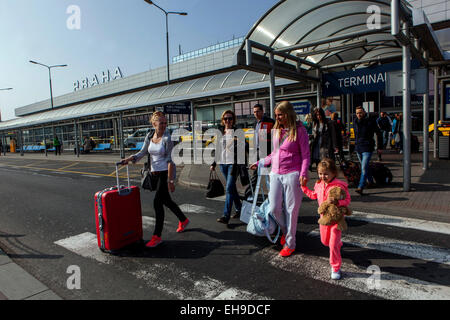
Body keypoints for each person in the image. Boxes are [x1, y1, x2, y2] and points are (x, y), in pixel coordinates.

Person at [250, 101, 310, 257]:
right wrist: (260, 162)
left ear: (288, 113)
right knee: (275, 208)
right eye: (276, 115)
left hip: (292, 173)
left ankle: (291, 243)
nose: (278, 118)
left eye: (280, 115)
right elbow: (274, 153)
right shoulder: (276, 130)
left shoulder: (299, 130)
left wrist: (303, 173)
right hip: (276, 172)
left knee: (291, 211)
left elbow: (305, 156)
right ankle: (285, 231)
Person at [122, 111, 189, 248]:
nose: (164, 125)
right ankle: (183, 219)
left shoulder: (167, 139)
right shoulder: (149, 136)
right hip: (154, 174)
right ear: (154, 123)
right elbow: (142, 152)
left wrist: (171, 181)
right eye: (161, 122)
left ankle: (157, 236)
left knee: (157, 202)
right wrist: (130, 159)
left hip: (165, 174)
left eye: (165, 122)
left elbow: (171, 161)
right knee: (166, 201)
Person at [301, 158, 351, 280]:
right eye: (320, 173)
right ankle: (337, 244)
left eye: (326, 174)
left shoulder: (339, 186)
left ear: (334, 173)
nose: (323, 176)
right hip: (323, 219)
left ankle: (335, 267)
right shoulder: (318, 184)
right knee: (325, 242)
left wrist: (338, 202)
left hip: (336, 219)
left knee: (333, 243)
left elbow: (347, 200)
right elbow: (313, 195)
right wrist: (303, 187)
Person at [210, 110, 247, 225]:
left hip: (233, 164)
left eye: (230, 118)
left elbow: (245, 145)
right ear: (223, 120)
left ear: (233, 120)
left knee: (229, 188)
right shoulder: (221, 133)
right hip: (222, 164)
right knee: (232, 189)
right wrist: (213, 163)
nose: (228, 121)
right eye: (225, 118)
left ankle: (226, 216)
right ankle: (239, 209)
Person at [246, 104, 275, 199]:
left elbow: (275, 137)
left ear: (262, 111)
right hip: (258, 151)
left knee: (271, 173)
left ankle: (274, 194)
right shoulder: (256, 123)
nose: (256, 113)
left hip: (267, 152)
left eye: (258, 111)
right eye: (254, 112)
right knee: (255, 173)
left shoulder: (270, 122)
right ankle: (250, 193)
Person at [353, 106, 383, 195]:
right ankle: (370, 182)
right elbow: (355, 135)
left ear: (364, 112)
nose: (359, 114)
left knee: (363, 167)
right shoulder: (355, 122)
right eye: (357, 113)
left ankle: (360, 186)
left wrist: (380, 147)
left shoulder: (371, 121)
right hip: (358, 147)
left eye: (360, 112)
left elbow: (379, 133)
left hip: (367, 147)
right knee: (365, 167)